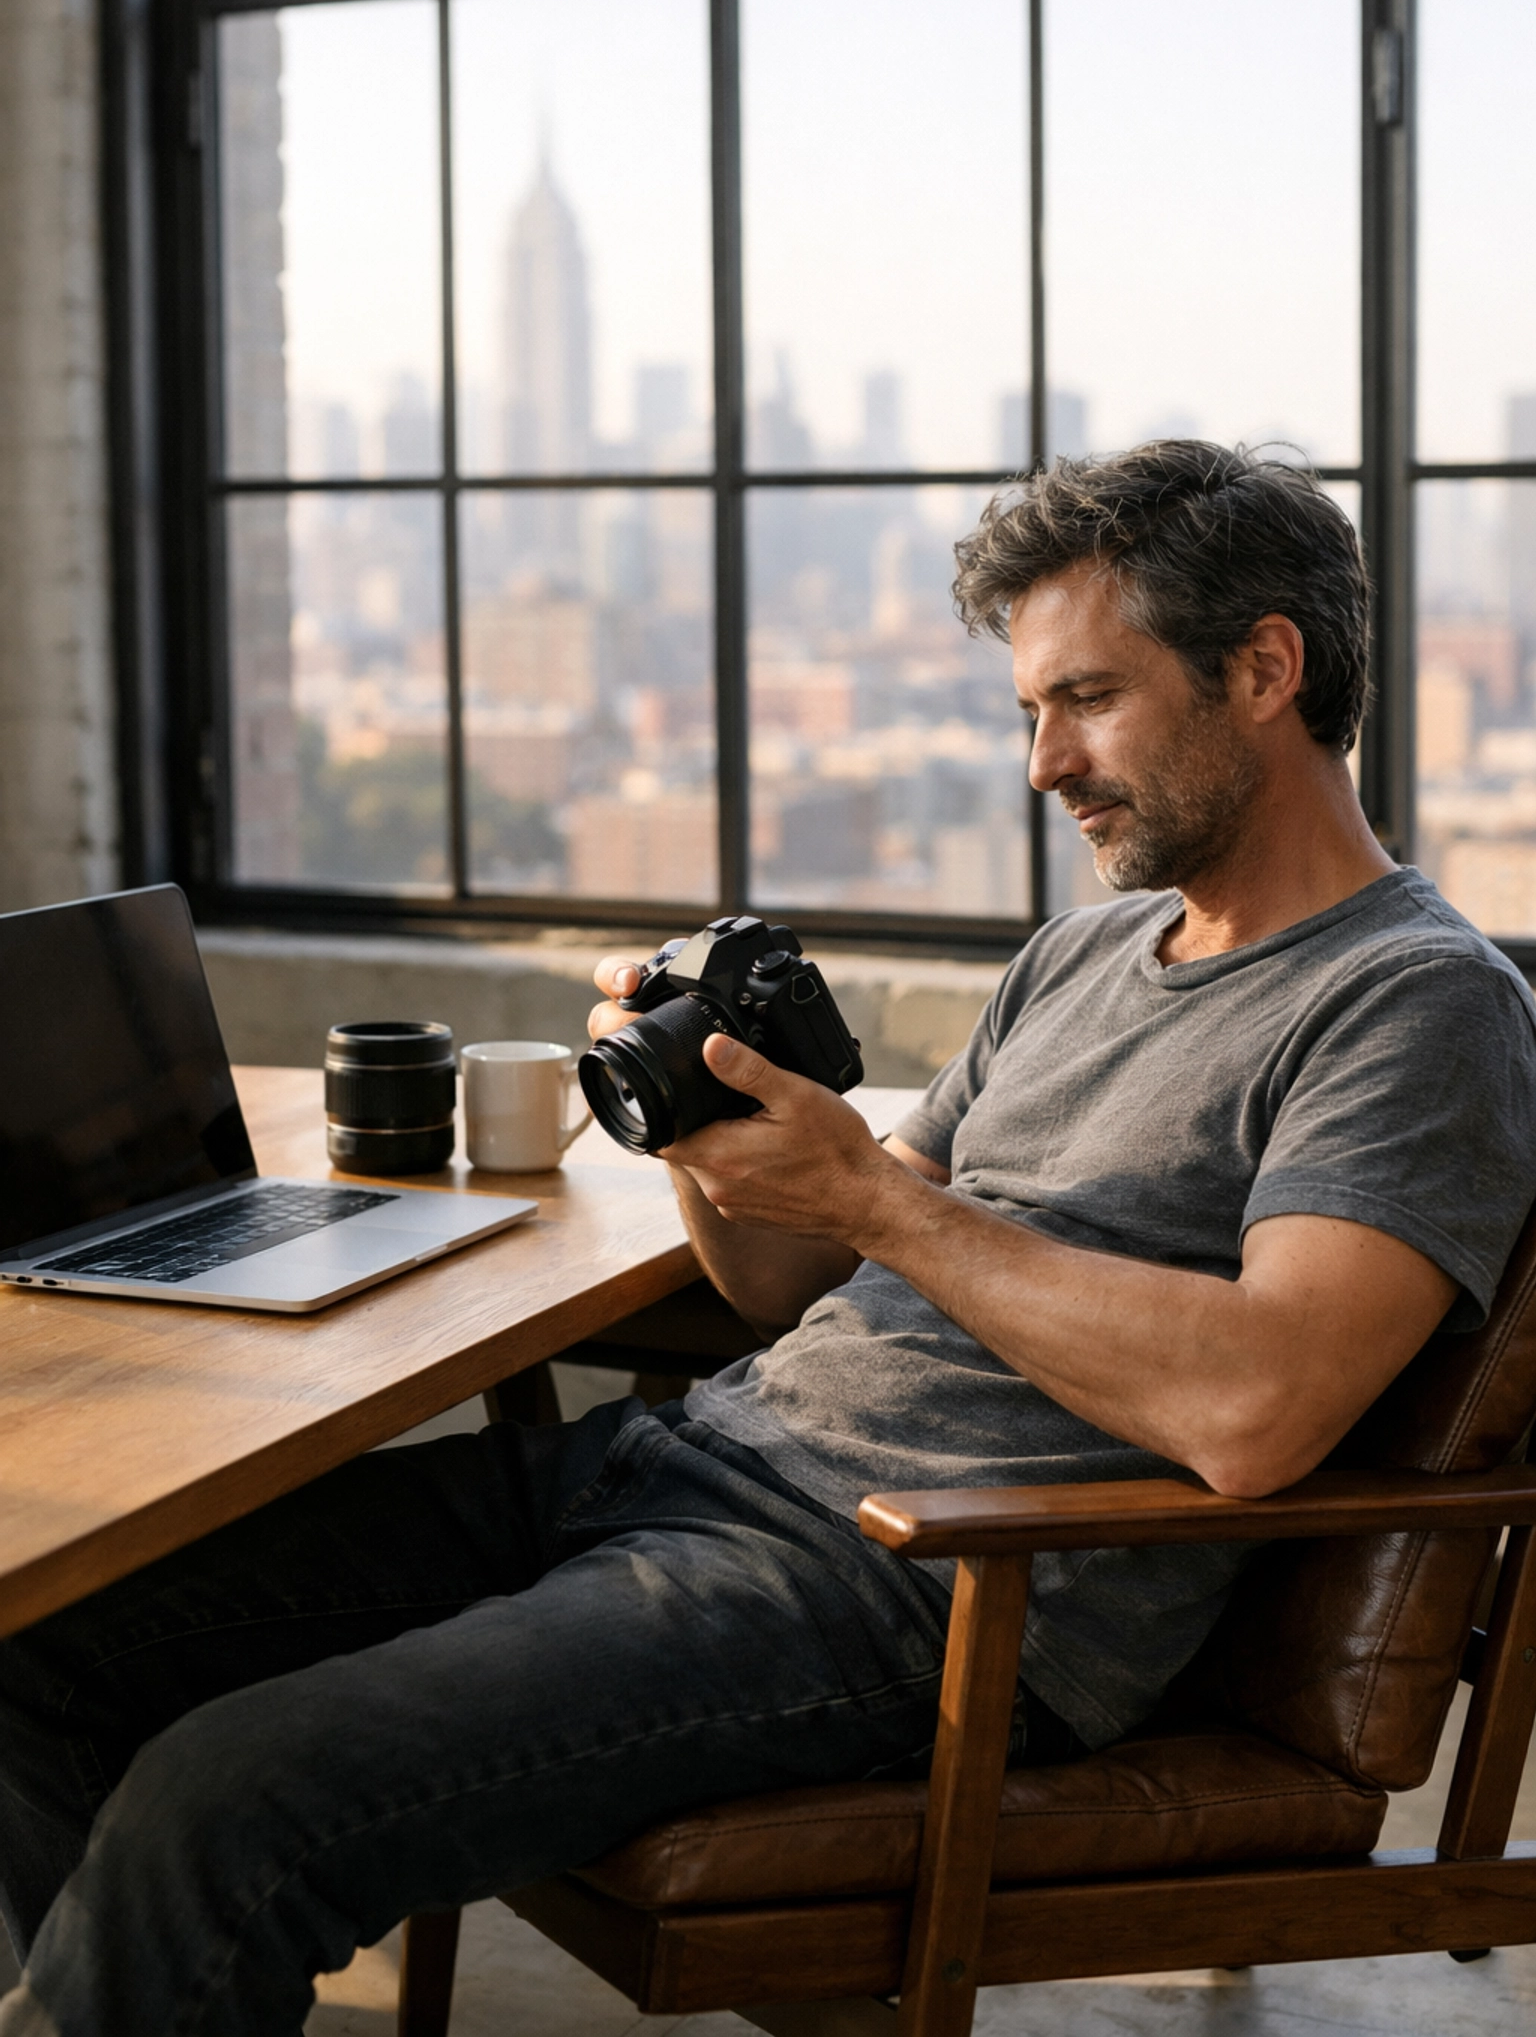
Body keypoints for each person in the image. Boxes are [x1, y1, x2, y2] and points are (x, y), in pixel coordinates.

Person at [1, 441, 1533, 2037]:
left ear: (1266, 667)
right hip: (693, 1470)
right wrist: (705, 1134)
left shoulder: (1415, 1005)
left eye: (1087, 699)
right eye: (1027, 711)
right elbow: (790, 1287)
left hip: (915, 1593)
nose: (1043, 763)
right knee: (46, 1642)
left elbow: (1261, 1410)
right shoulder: (1084, 952)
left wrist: (879, 1195)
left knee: (226, 1800)